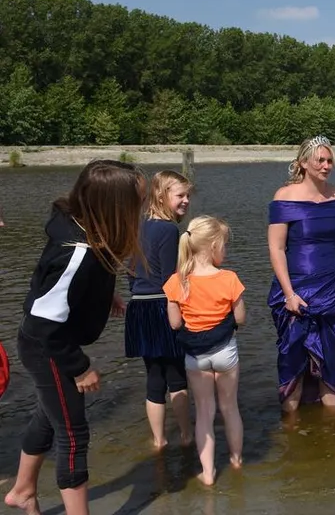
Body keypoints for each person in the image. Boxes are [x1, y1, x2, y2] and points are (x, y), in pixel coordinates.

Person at [4, 160, 145, 515]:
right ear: (113, 208)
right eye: (136, 204)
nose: (140, 212)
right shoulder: (77, 253)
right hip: (47, 347)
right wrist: (80, 368)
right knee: (73, 433)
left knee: (49, 417)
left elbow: (69, 285)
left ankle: (22, 491)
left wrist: (101, 294)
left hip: (53, 342)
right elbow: (42, 325)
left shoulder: (82, 228)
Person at [267, 136, 335, 413]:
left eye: (330, 160)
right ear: (304, 163)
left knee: (333, 358)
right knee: (292, 357)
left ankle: (332, 429)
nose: (326, 165)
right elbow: (276, 248)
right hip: (296, 291)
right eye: (320, 160)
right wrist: (289, 294)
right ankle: (290, 426)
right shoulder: (284, 197)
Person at [163, 215, 245, 486]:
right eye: (224, 245)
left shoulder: (176, 282)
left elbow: (175, 323)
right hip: (225, 351)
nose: (225, 250)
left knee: (204, 413)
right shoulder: (229, 278)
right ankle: (235, 460)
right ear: (212, 246)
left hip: (195, 356)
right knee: (230, 408)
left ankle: (208, 473)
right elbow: (241, 318)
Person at [124, 170, 192, 449]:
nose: (186, 201)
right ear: (162, 196)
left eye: (188, 195)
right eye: (180, 195)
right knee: (176, 375)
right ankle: (188, 435)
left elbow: (130, 272)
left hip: (138, 308)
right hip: (162, 306)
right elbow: (170, 279)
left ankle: (158, 440)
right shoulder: (168, 229)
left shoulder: (136, 227)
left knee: (154, 377)